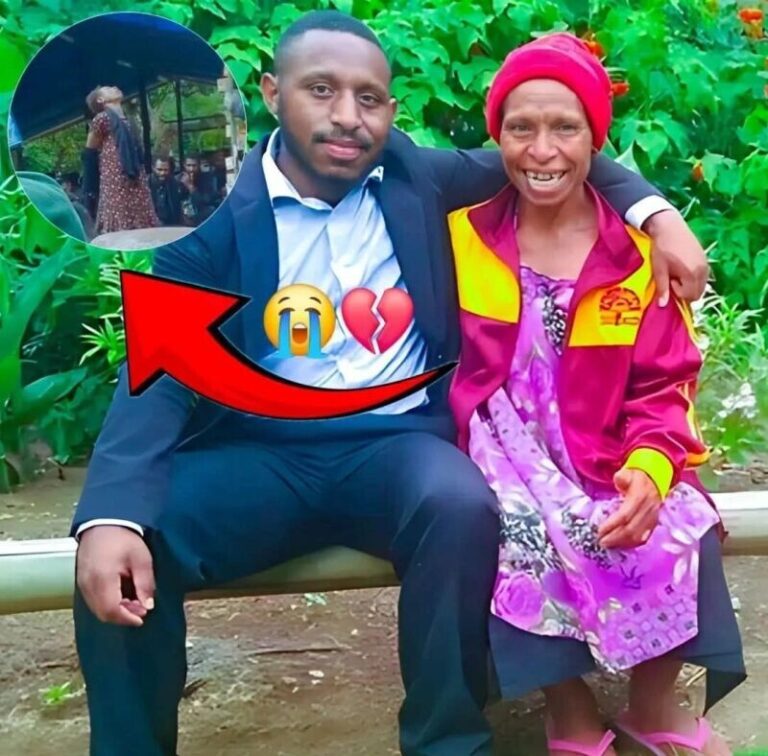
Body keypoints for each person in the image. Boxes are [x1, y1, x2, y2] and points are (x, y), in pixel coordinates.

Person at [72, 12, 713, 756]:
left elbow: (557, 147)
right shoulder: (207, 214)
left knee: (461, 504)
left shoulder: (416, 173)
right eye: (322, 90)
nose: (348, 116)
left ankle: (448, 743)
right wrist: (109, 512)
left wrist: (659, 216)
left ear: (390, 111)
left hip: (397, 443)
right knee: (132, 537)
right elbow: (162, 366)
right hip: (260, 449)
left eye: (369, 97)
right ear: (272, 93)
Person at [447, 33, 745, 756]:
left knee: (678, 519)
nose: (542, 150)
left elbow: (664, 381)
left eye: (565, 128)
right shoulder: (459, 237)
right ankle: (570, 711)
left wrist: (648, 466)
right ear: (497, 137)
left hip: (608, 438)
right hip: (501, 446)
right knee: (517, 534)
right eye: (522, 127)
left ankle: (653, 705)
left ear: (594, 141)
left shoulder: (637, 256)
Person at [84, 85, 159, 234]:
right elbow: (90, 149)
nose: (114, 87)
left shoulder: (128, 120)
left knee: (141, 208)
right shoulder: (102, 119)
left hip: (135, 173)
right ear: (101, 99)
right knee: (120, 213)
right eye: (108, 89)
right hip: (116, 177)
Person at [178, 154, 222, 225]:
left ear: (198, 166)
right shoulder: (178, 180)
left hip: (201, 218)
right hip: (183, 219)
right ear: (184, 165)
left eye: (194, 166)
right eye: (189, 165)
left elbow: (205, 201)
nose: (191, 169)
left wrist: (190, 186)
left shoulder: (207, 179)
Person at [149, 157, 188, 226]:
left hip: (172, 225)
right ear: (153, 168)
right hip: (152, 225)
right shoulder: (146, 184)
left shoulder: (175, 184)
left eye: (165, 170)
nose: (162, 173)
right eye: (159, 170)